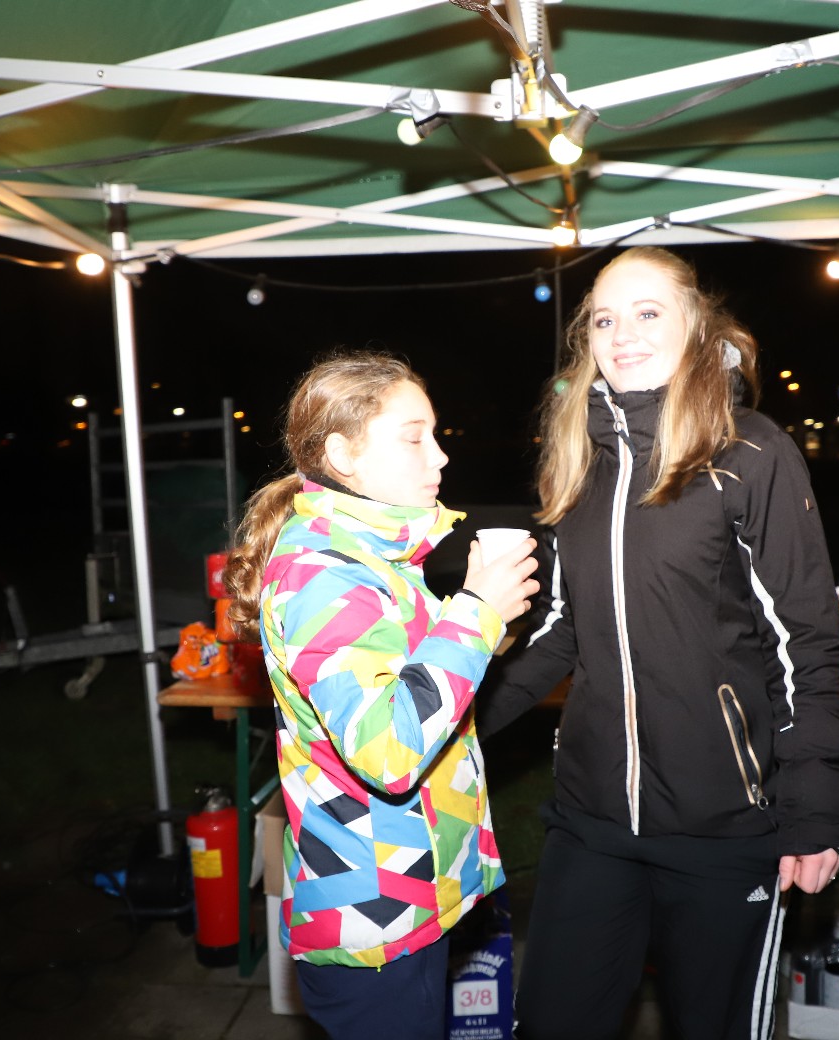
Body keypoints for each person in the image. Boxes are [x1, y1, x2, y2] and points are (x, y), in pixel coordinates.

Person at [477, 247, 839, 1040]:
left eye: (648, 313)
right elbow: (563, 628)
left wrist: (814, 801)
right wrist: (449, 723)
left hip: (724, 824)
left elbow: (808, 641)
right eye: (604, 320)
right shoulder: (580, 460)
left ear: (696, 326)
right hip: (592, 820)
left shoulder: (751, 453)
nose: (623, 335)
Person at [222, 352, 538, 1039]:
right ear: (343, 456)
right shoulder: (324, 573)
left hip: (404, 898)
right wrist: (476, 612)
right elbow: (388, 749)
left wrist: (487, 626)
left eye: (436, 434)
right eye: (414, 437)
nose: (441, 456)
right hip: (374, 917)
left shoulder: (371, 558)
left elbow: (410, 675)